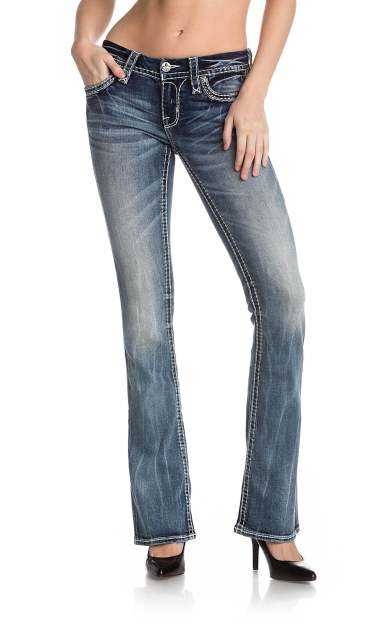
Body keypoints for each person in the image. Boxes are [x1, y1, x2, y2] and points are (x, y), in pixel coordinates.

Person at [71, 0, 316, 581]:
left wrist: (254, 95)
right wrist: (83, 37)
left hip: (223, 93)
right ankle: (163, 527)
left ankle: (272, 520)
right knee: (145, 321)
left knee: (283, 300)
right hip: (124, 88)